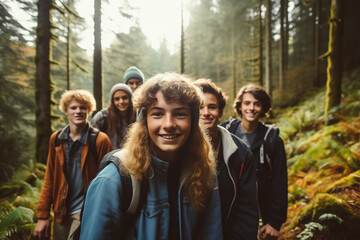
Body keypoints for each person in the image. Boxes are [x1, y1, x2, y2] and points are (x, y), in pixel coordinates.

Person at [79, 73, 223, 240]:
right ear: (144, 121)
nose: (168, 124)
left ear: (193, 121)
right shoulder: (113, 181)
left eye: (180, 114)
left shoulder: (202, 172)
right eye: (157, 114)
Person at [33, 90, 113, 240]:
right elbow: (50, 178)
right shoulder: (56, 139)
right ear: (66, 111)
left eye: (83, 107)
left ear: (89, 110)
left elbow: (109, 182)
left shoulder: (100, 140)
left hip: (86, 211)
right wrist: (43, 216)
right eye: (73, 108)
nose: (78, 111)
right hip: (61, 211)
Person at [220, 84, 288, 240]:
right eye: (247, 103)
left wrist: (274, 222)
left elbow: (280, 182)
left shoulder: (272, 141)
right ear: (240, 106)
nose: (251, 108)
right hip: (227, 206)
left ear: (263, 108)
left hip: (259, 210)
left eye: (257, 104)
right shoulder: (226, 131)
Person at [194, 79, 258, 239]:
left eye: (212, 107)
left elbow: (247, 209)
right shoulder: (176, 149)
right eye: (200, 107)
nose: (206, 112)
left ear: (221, 111)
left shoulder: (241, 153)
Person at [91, 83, 135, 149]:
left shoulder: (138, 116)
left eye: (124, 98)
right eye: (117, 99)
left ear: (130, 98)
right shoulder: (102, 117)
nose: (121, 101)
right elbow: (92, 139)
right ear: (112, 101)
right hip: (108, 157)